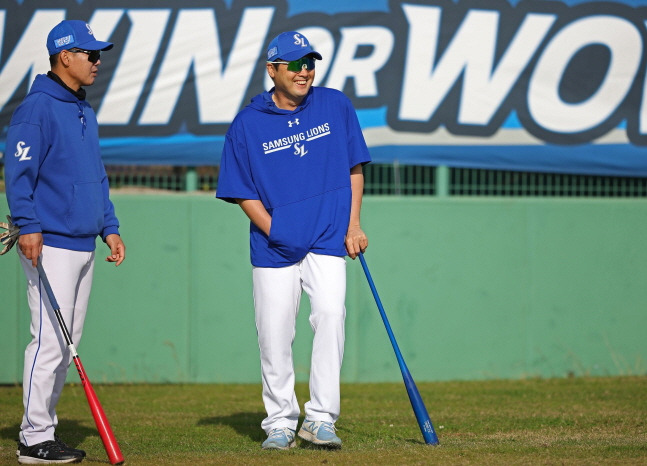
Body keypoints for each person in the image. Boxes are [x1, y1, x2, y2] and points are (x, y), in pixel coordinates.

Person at [216, 31, 371, 450]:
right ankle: (280, 421)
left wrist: (353, 223)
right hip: (275, 247)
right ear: (273, 69)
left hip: (327, 239)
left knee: (330, 317)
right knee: (274, 332)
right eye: (295, 64)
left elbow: (355, 167)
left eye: (310, 63)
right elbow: (240, 190)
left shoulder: (335, 104)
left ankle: (320, 418)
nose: (305, 72)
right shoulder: (247, 124)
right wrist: (276, 230)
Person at [4, 20, 125, 464]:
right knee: (50, 342)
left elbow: (95, 176)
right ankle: (33, 437)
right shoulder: (37, 108)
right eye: (90, 54)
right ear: (64, 56)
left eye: (98, 54)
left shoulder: (81, 108)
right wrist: (27, 223)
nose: (97, 61)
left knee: (67, 340)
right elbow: (18, 174)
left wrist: (108, 225)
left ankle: (44, 430)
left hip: (83, 240)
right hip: (50, 239)